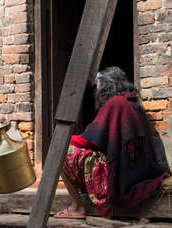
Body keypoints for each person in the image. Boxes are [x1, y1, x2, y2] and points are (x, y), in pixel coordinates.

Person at [54, 66, 170, 219]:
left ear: (106, 85)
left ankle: (77, 207)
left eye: (98, 85)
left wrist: (62, 140)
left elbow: (88, 139)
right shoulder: (132, 102)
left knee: (61, 152)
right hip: (136, 173)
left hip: (122, 177)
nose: (97, 90)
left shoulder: (115, 104)